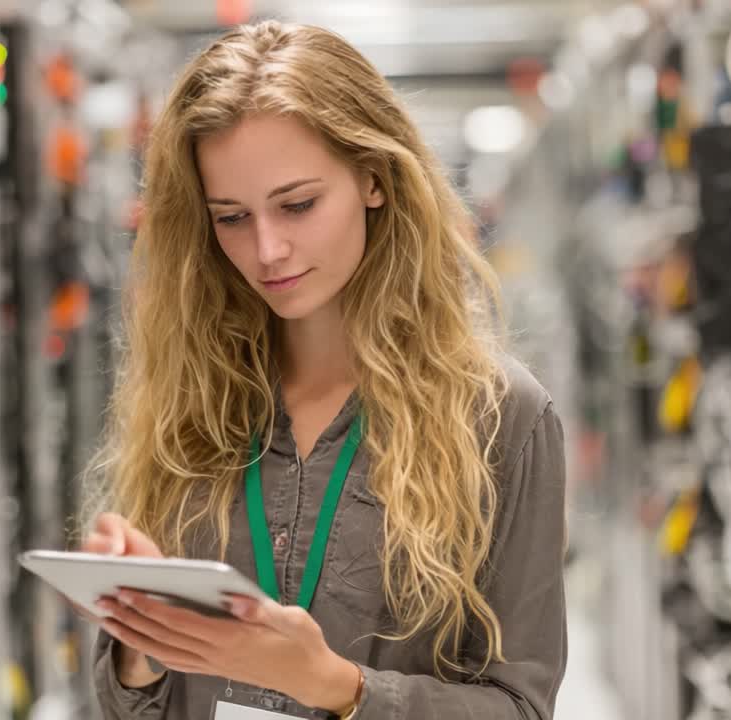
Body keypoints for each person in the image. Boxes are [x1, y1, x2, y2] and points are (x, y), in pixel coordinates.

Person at [77, 20, 568, 720]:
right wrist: (144, 637)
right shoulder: (192, 401)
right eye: (231, 217)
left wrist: (337, 685)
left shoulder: (500, 416)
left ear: (373, 176)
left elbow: (520, 708)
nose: (268, 249)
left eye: (298, 205)